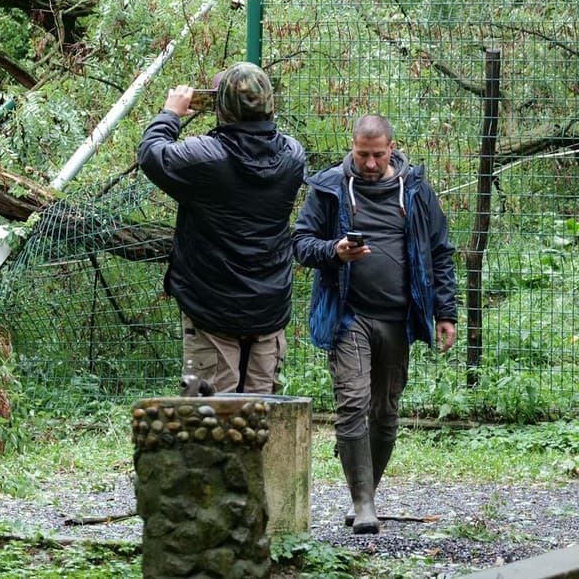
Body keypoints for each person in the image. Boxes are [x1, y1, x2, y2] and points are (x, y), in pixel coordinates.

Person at [293, 114, 457, 536]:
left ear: (391, 148)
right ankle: (364, 504)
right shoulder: (329, 188)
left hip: (400, 318)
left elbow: (440, 253)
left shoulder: (417, 190)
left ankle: (365, 492)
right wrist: (334, 250)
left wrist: (446, 313)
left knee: (385, 413)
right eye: (362, 154)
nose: (368, 163)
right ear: (352, 146)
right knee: (352, 401)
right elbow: (301, 243)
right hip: (349, 315)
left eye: (377, 155)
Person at [138, 61, 307, 396]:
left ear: (222, 107)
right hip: (268, 307)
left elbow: (151, 153)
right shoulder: (293, 156)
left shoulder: (204, 158)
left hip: (212, 307)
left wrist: (171, 113)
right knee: (261, 420)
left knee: (210, 422)